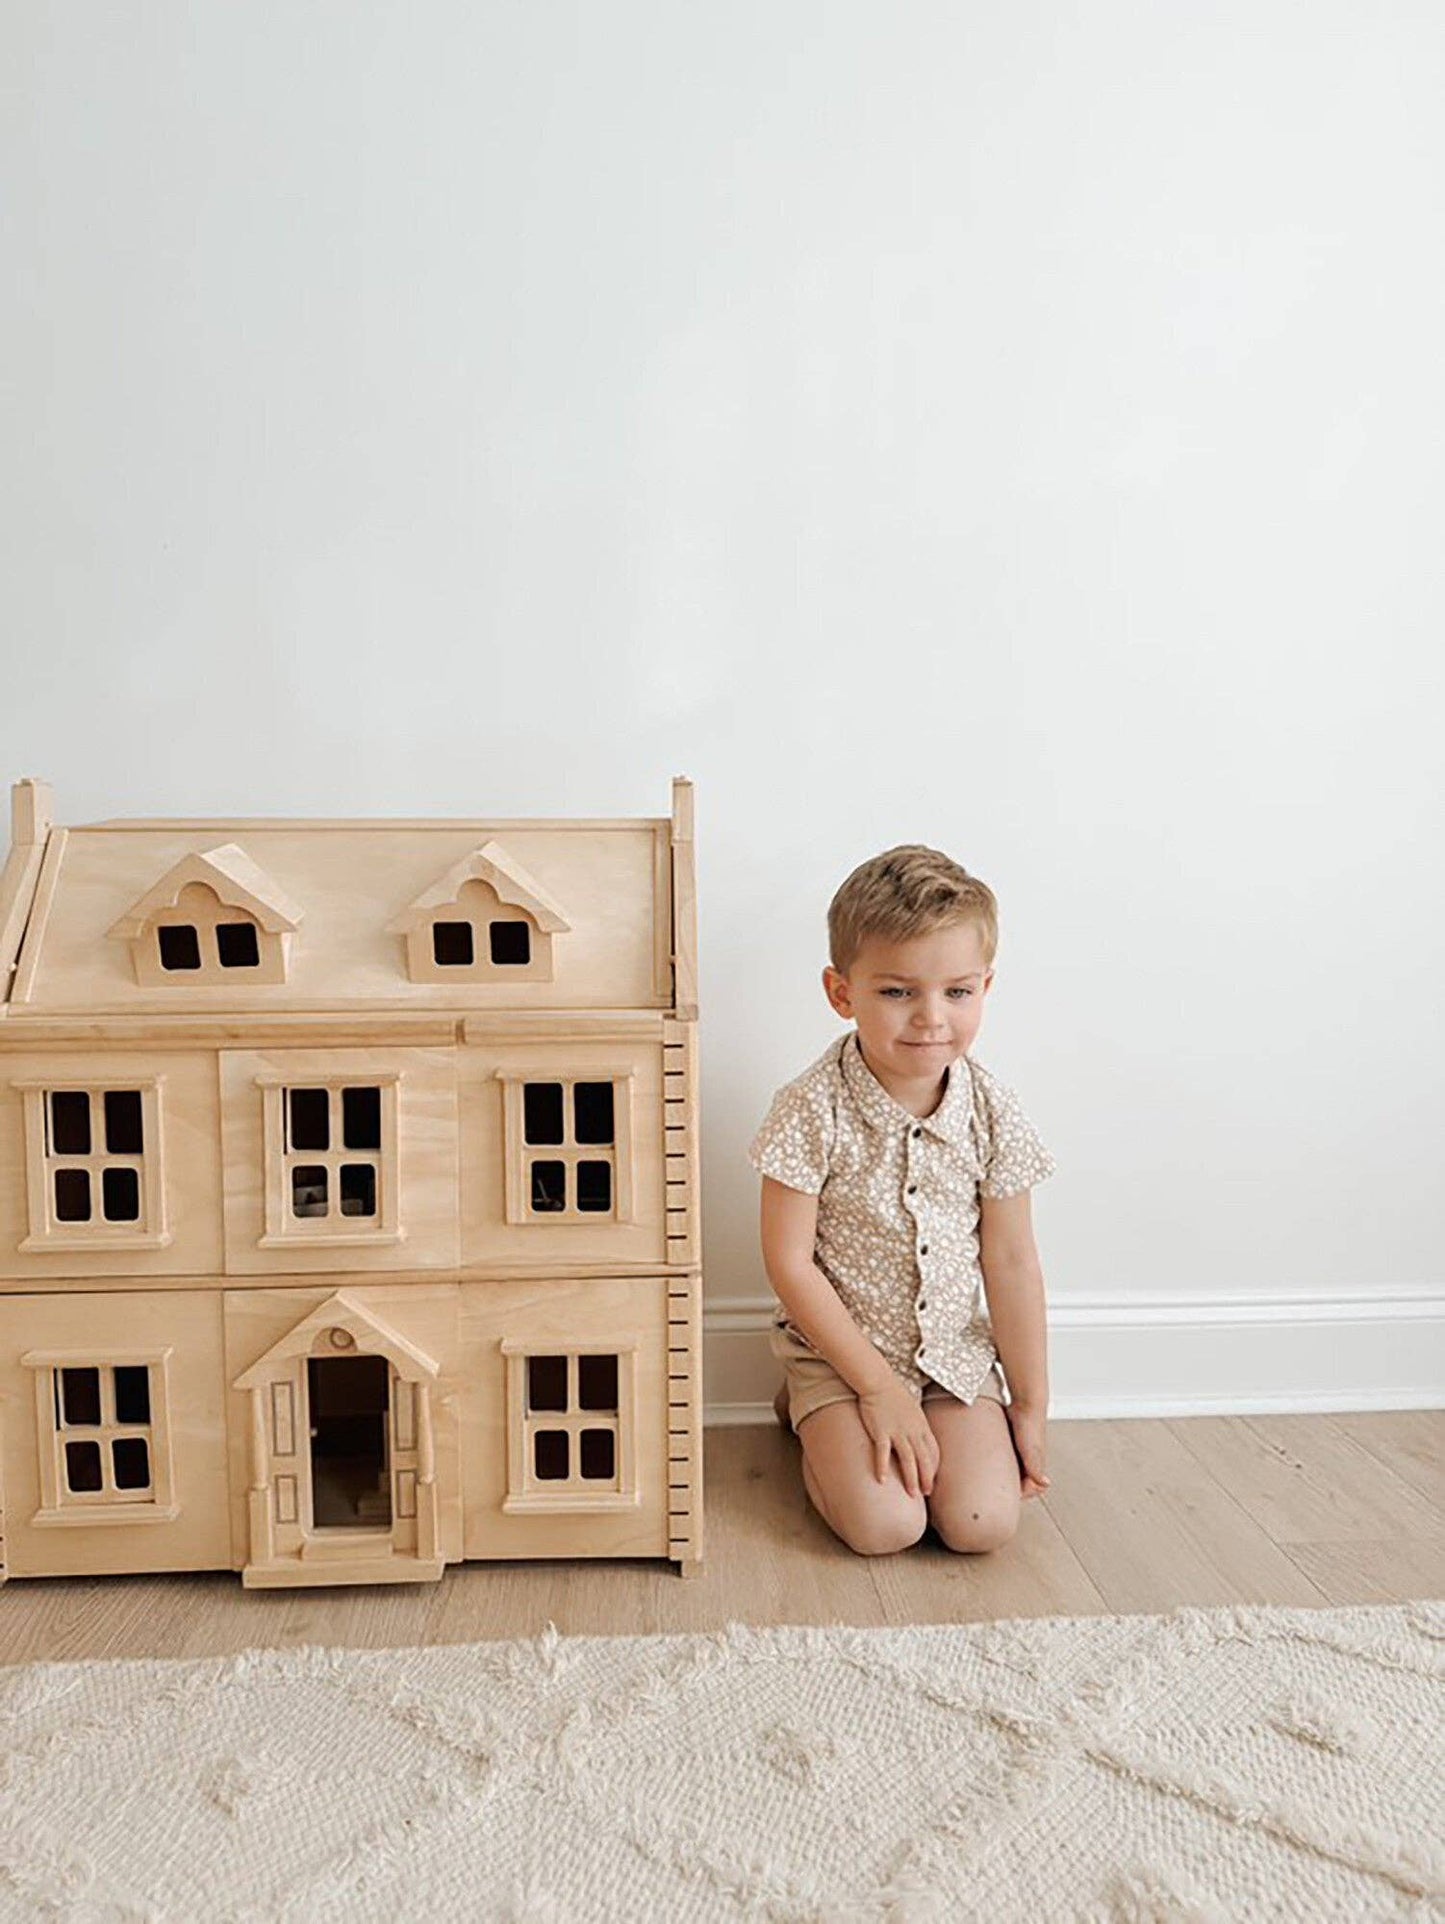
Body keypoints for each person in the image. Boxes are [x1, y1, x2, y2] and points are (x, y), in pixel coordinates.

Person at [747, 844, 1056, 1556]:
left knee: (981, 1525)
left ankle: (917, 1430)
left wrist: (1030, 1405)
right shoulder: (809, 1109)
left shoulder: (993, 1111)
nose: (930, 1018)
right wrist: (878, 1390)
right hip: (839, 1356)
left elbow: (1011, 1261)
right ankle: (811, 1415)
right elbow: (789, 1263)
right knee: (886, 1526)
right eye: (897, 992)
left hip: (950, 1357)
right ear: (841, 993)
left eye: (957, 992)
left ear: (985, 986)